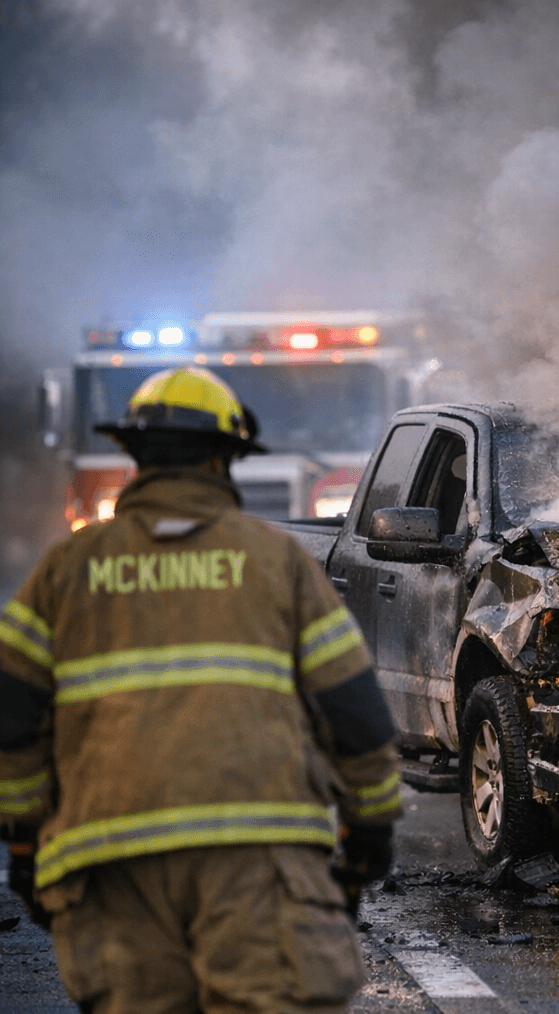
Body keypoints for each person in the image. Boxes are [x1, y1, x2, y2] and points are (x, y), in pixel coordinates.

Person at [0, 366, 401, 1012]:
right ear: (225, 459)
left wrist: (24, 842)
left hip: (111, 868)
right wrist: (369, 833)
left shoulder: (66, 570)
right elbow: (354, 712)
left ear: (134, 456)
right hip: (259, 862)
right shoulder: (277, 562)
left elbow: (12, 717)